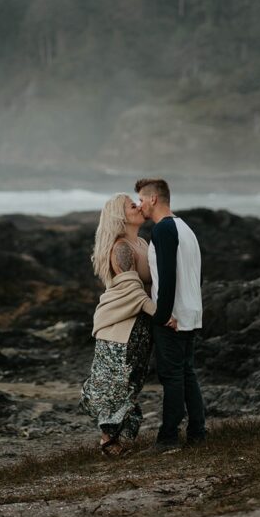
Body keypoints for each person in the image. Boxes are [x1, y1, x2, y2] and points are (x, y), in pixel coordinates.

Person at [80, 193, 157, 457]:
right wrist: (161, 314)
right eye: (131, 205)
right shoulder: (122, 247)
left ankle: (119, 443)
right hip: (119, 326)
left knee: (131, 383)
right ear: (119, 215)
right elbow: (133, 291)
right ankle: (108, 443)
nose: (138, 206)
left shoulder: (143, 243)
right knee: (117, 384)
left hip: (139, 325)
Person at [136, 177, 206, 451]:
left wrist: (161, 315)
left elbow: (165, 279)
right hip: (190, 311)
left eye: (141, 199)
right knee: (186, 373)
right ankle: (197, 433)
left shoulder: (164, 230)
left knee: (172, 376)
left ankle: (168, 438)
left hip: (172, 316)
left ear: (153, 199)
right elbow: (195, 275)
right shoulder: (185, 227)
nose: (139, 205)